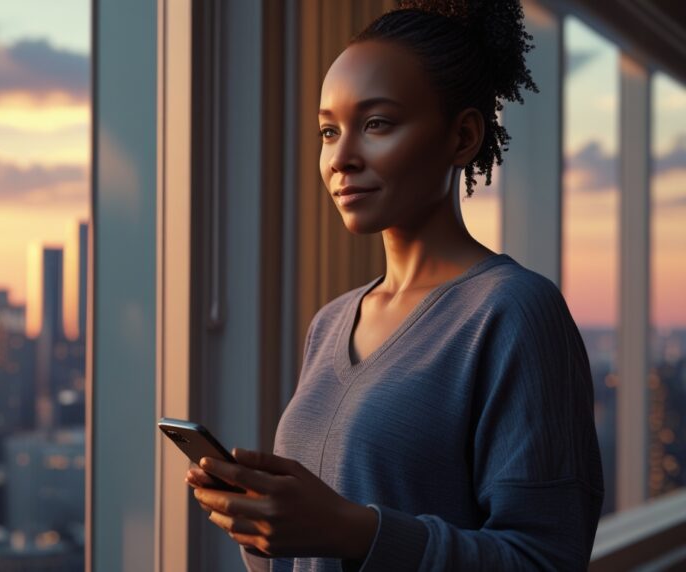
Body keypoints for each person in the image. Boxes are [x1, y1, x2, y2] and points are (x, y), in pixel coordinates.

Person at [184, 0, 605, 570]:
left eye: (376, 123)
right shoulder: (331, 323)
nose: (341, 159)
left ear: (462, 137)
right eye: (329, 131)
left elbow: (546, 559)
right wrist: (265, 528)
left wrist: (350, 531)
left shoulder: (514, 313)